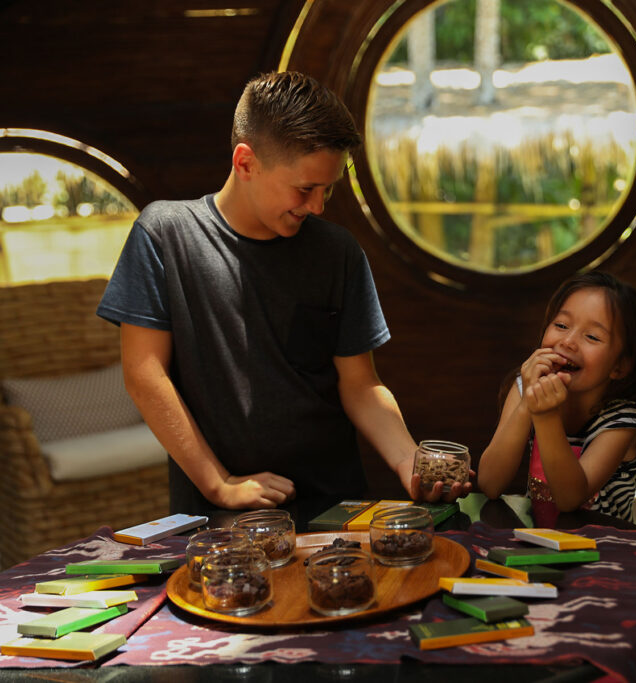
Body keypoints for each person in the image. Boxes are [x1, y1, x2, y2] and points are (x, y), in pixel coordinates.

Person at [97, 71, 470, 518]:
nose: (317, 207)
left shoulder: (337, 251)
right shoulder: (164, 235)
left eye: (328, 189)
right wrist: (220, 484)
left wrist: (409, 461)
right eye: (305, 189)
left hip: (336, 507)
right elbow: (144, 374)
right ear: (246, 162)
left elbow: (360, 384)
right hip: (222, 520)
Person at [476, 271, 636, 526]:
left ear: (619, 367)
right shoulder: (525, 389)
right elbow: (490, 484)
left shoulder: (623, 421)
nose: (568, 342)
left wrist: (545, 416)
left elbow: (569, 499)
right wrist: (527, 405)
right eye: (561, 325)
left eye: (592, 336)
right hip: (541, 543)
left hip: (606, 549)